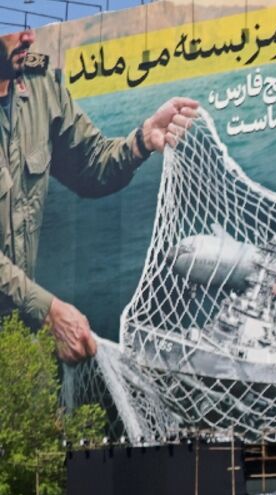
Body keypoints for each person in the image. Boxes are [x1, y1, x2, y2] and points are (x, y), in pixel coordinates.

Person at [0, 29, 198, 363]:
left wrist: (141, 141)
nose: (30, 37)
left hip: (15, 344)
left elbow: (89, 165)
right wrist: (49, 311)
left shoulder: (40, 86)